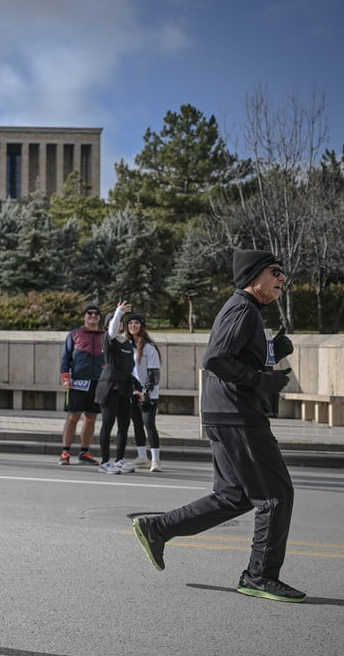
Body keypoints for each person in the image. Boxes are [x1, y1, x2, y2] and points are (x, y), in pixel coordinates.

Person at [131, 249, 304, 602]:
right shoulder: (242, 308)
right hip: (238, 414)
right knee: (275, 496)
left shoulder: (249, 310)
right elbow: (216, 359)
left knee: (233, 497)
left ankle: (157, 528)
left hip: (227, 412)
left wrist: (273, 349)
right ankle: (260, 576)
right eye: (275, 271)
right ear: (254, 277)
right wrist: (262, 380)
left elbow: (237, 355)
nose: (282, 277)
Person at [95, 302, 143, 474]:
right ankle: (105, 462)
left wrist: (138, 388)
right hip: (109, 386)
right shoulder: (109, 340)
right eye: (115, 321)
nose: (119, 324)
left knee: (124, 424)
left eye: (121, 322)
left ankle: (119, 460)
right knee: (108, 424)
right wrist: (118, 312)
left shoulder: (127, 344)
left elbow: (130, 370)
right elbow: (113, 329)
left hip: (124, 387)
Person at [58, 305, 105, 466]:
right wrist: (65, 377)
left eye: (96, 313)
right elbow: (65, 358)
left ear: (99, 317)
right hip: (77, 382)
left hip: (97, 382)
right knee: (73, 417)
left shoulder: (105, 336)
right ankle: (65, 451)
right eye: (89, 313)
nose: (93, 315)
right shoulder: (74, 334)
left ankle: (84, 452)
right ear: (84, 316)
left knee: (91, 418)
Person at [124, 312, 163, 472]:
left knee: (149, 424)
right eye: (130, 323)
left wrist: (146, 392)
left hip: (148, 393)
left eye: (136, 323)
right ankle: (142, 457)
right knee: (137, 424)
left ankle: (155, 459)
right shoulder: (126, 345)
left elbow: (154, 373)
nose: (133, 326)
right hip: (133, 392)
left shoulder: (149, 347)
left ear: (142, 326)